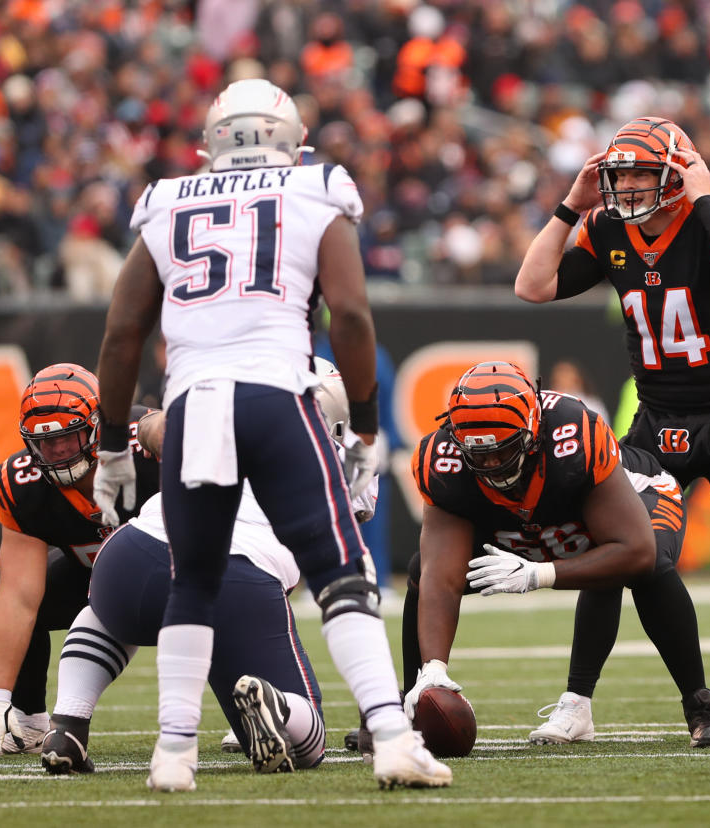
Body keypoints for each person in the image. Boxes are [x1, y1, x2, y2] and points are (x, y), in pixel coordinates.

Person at [92, 78, 449, 792]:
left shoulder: (167, 200)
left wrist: (109, 447)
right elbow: (348, 314)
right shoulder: (318, 188)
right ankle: (391, 736)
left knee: (192, 577)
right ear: (291, 140)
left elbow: (122, 331)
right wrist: (369, 429)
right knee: (340, 571)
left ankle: (173, 754)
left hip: (193, 404)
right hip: (275, 394)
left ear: (213, 140)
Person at [514, 116, 710, 740]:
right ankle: (577, 703)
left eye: (640, 174)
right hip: (655, 427)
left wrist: (702, 198)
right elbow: (533, 285)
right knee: (617, 554)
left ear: (678, 173)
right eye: (619, 175)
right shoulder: (606, 227)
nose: (625, 188)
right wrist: (570, 207)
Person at [40, 359, 372, 776]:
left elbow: (147, 428)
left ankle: (68, 722)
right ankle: (279, 706)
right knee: (309, 743)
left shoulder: (219, 416)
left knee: (105, 615)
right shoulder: (345, 460)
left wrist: (169, 424)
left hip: (130, 556)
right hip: (237, 576)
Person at [401, 361, 710, 749]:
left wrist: (538, 575)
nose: (491, 463)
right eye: (480, 454)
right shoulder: (442, 459)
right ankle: (413, 704)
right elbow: (441, 577)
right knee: (420, 572)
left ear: (532, 433)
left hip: (638, 501)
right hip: (534, 525)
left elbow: (635, 550)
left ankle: (700, 706)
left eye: (503, 450)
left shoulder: (573, 435)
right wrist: (435, 669)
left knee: (649, 568)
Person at [0, 363, 159, 759]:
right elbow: (19, 598)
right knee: (17, 604)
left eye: (69, 437)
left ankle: (262, 702)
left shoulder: (145, 445)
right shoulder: (22, 485)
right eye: (45, 442)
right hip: (95, 581)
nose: (59, 450)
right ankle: (29, 721)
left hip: (175, 572)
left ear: (100, 425)